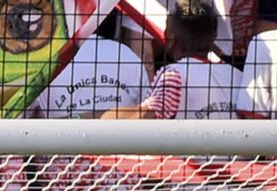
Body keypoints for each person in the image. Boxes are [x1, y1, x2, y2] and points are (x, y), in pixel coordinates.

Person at [101, 0, 238, 120]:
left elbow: (147, 117)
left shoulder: (174, 76)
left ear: (170, 37)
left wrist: (100, 118)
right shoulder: (236, 75)